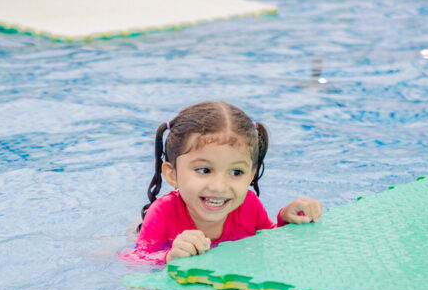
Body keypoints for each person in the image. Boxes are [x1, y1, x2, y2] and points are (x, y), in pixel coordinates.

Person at [128, 101, 323, 265]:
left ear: (251, 175)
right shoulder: (163, 212)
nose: (219, 186)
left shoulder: (249, 205)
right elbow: (136, 259)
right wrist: (170, 255)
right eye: (204, 170)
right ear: (172, 174)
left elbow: (268, 241)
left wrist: (286, 219)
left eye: (236, 172)